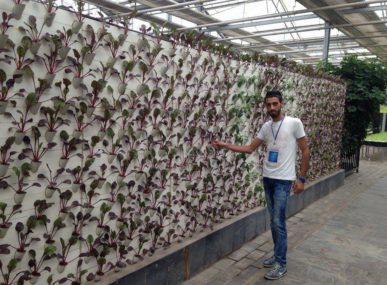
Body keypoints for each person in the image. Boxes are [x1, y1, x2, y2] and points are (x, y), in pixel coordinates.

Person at [210, 90, 310, 280]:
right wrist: (224, 145)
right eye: (268, 104)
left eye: (275, 104)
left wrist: (301, 178)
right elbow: (249, 148)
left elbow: (305, 151)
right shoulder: (266, 127)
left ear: (281, 104)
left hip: (284, 180)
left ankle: (281, 263)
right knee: (273, 220)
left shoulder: (294, 123)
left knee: (278, 222)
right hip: (268, 178)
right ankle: (276, 255)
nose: (271, 107)